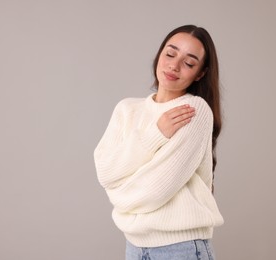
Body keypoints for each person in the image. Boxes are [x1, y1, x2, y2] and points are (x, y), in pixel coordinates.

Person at [94, 25, 224, 260]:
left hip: (181, 248)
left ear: (200, 73)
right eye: (170, 54)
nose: (174, 65)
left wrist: (119, 196)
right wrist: (156, 134)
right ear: (159, 54)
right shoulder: (127, 109)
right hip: (134, 247)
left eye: (189, 63)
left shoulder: (193, 110)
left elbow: (155, 189)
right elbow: (105, 171)